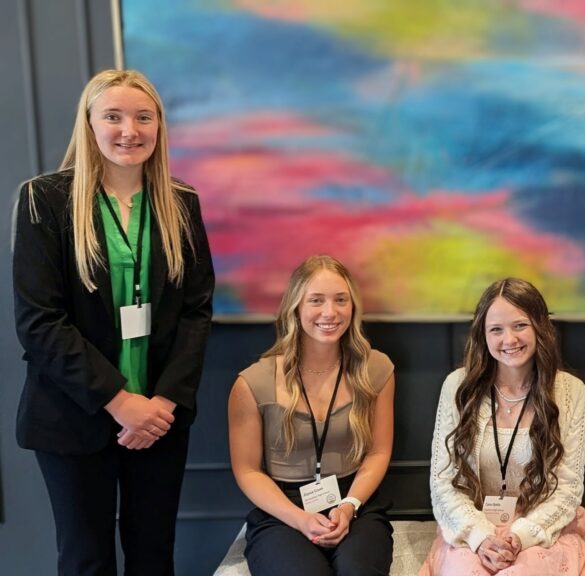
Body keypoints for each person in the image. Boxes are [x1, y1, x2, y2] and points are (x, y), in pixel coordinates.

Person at [12, 69, 215, 575]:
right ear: (89, 123)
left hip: (159, 419)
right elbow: (40, 322)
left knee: (153, 557)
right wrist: (120, 402)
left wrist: (161, 404)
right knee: (86, 560)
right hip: (74, 415)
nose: (130, 130)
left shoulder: (181, 204)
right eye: (113, 116)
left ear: (160, 126)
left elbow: (195, 312)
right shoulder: (45, 200)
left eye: (143, 117)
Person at [421, 278, 585, 576]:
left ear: (540, 327)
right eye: (496, 329)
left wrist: (519, 537)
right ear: (483, 334)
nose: (509, 339)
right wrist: (481, 538)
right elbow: (443, 483)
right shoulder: (457, 386)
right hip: (472, 528)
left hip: (541, 529)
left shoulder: (571, 391)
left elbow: (568, 489)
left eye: (520, 325)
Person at [229, 255, 395, 576]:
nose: (330, 313)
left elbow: (378, 452)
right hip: (282, 509)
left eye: (340, 300)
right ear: (296, 308)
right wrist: (300, 519)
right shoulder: (251, 383)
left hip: (355, 502)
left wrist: (349, 507)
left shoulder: (377, 369)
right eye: (316, 301)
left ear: (353, 307)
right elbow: (248, 471)